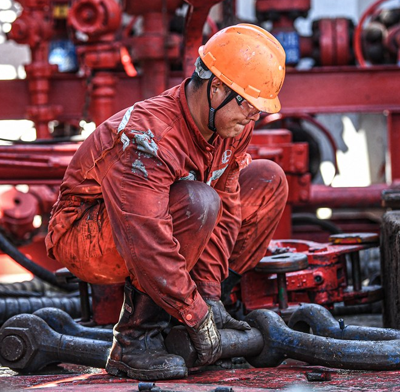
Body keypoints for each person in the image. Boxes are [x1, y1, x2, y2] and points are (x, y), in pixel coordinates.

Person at [46, 23, 288, 381]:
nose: (253, 118)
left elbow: (228, 208)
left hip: (155, 228)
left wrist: (209, 296)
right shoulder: (148, 136)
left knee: (267, 180)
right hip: (87, 235)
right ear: (217, 87)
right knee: (197, 201)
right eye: (250, 106)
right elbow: (146, 238)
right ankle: (134, 342)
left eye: (259, 110)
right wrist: (196, 315)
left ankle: (188, 312)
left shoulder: (230, 124)